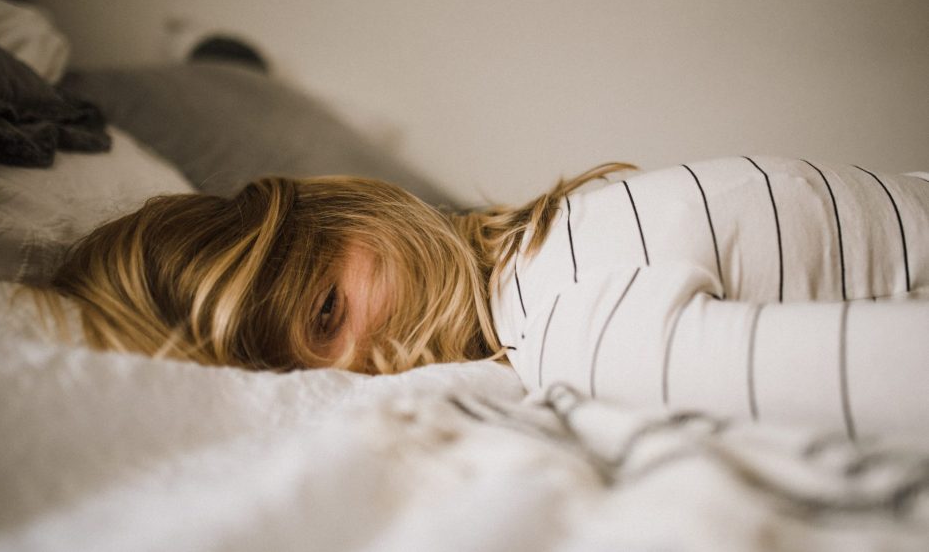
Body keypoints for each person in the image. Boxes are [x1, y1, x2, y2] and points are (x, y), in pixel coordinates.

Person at [45, 156, 929, 435]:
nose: (358, 370)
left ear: (356, 209)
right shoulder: (551, 240)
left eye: (326, 313)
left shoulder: (573, 324)